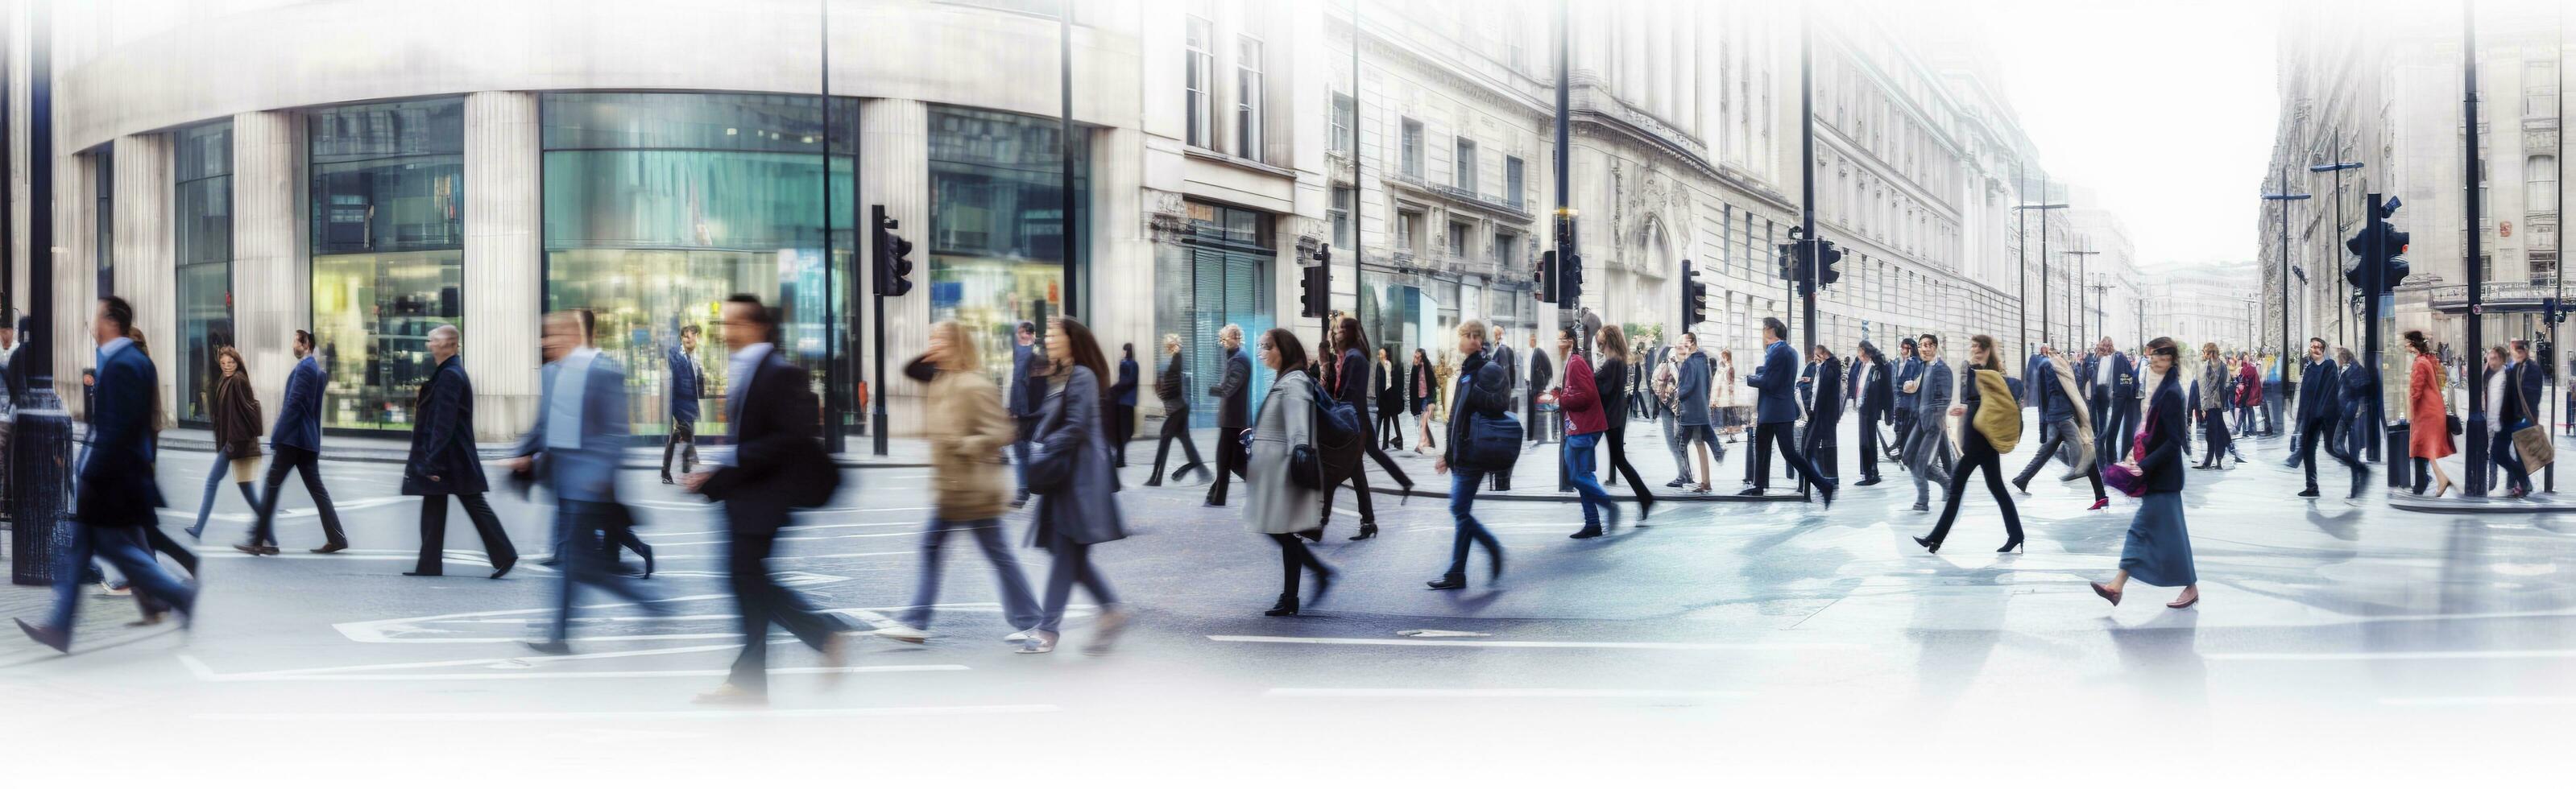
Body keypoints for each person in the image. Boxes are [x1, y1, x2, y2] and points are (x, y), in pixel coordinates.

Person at [685, 295, 851, 704]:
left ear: (758, 327)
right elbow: (747, 437)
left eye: (735, 324)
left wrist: (731, 461)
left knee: (747, 579)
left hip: (767, 498)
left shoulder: (780, 372)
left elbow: (788, 439)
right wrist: (717, 473)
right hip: (745, 494)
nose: (726, 333)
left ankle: (821, 634)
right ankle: (751, 681)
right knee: (747, 581)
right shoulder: (745, 368)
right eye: (724, 325)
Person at [16, 298, 201, 652]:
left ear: (111, 322)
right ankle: (59, 628)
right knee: (82, 551)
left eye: (97, 316)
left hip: (108, 483)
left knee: (117, 551)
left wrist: (90, 477)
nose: (92, 323)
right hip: (112, 479)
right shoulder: (123, 361)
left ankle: (179, 595)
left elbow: (118, 430)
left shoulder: (124, 364)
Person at [873, 320, 1042, 644]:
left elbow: (1003, 432)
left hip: (973, 489)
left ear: (957, 345)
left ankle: (916, 621)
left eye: (939, 339)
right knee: (977, 552)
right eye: (931, 338)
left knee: (966, 551)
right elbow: (911, 369)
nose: (932, 344)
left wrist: (965, 444)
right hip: (953, 488)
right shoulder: (942, 380)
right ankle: (1029, 619)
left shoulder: (973, 385)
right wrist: (936, 350)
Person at [511, 310, 667, 654]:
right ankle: (651, 604)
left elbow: (616, 432)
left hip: (588, 484)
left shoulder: (602, 371)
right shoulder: (550, 373)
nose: (546, 343)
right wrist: (523, 453)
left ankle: (561, 636)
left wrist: (600, 477)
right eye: (544, 336)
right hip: (562, 482)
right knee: (581, 563)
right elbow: (544, 422)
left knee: (573, 561)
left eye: (552, 336)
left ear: (572, 336)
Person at [1021, 316, 1133, 654]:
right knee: (1068, 555)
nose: (1048, 340)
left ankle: (1048, 630)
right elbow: (1051, 422)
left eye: (1054, 335)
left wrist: (1042, 447)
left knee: (1067, 553)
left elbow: (1077, 426)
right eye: (1048, 335)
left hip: (1080, 478)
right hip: (1065, 477)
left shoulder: (1081, 375)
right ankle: (1113, 611)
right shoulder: (1061, 375)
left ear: (1072, 340)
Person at [401, 324, 518, 579]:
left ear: (449, 344)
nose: (429, 344)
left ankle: (505, 553)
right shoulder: (447, 372)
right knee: (436, 504)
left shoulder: (450, 375)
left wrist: (432, 462)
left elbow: (444, 421)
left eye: (433, 340)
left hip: (451, 457)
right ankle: (429, 565)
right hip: (452, 455)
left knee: (472, 502)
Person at [2091, 338, 2200, 609]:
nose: (2156, 360)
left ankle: (2118, 586)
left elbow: (2175, 441)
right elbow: (2153, 432)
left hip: (2164, 477)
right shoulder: (2164, 388)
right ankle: (2187, 586)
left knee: (2142, 532)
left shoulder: (2173, 392)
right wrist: (2138, 454)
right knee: (2171, 535)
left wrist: (2145, 464)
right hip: (2160, 476)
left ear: (2173, 360)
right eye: (2154, 355)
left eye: (2163, 356)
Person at [1244, 328, 1333, 616]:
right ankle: (1299, 589)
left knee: (1281, 530)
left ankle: (1301, 587)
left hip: (1284, 470)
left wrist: (1300, 451)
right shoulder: (1285, 379)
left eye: (1268, 346)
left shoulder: (1294, 382)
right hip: (1274, 469)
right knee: (1283, 531)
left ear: (1284, 349)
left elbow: (1298, 424)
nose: (1264, 351)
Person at [1913, 334, 2022, 554]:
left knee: (1956, 488)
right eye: (1973, 347)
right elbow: (1971, 401)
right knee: (1997, 488)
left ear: (1989, 350)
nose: (1976, 350)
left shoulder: (1994, 374)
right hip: (1975, 434)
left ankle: (1936, 538)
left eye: (1980, 347)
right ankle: (2017, 534)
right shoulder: (1969, 369)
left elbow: (1997, 404)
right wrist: (1963, 409)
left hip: (1983, 439)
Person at [243, 329, 347, 554]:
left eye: (295, 341)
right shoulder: (317, 371)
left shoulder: (305, 368)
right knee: (317, 491)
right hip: (306, 441)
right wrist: (315, 442)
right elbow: (315, 411)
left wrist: (277, 435)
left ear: (306, 343)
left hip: (293, 440)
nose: (293, 345)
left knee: (271, 485)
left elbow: (294, 404)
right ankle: (337, 537)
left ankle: (261, 541)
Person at [1430, 320, 1510, 591]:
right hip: (1462, 452)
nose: (1474, 340)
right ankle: (1456, 573)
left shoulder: (1483, 370)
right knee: (1462, 513)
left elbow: (1496, 405)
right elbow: (1457, 418)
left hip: (1472, 453)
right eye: (1469, 335)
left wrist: (1453, 453)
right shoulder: (1467, 369)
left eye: (1478, 336)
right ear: (1460, 339)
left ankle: (1492, 547)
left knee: (1458, 509)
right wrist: (1447, 455)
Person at [1323, 317, 1413, 540]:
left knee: (1352, 470)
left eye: (1343, 329)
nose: (1339, 333)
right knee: (1364, 465)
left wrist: (1337, 411)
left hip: (1355, 420)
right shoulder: (1355, 355)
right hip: (1359, 417)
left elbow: (1350, 392)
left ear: (1353, 333)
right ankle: (1372, 516)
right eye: (1338, 329)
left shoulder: (1354, 357)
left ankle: (1328, 520)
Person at [1741, 318, 1836, 506]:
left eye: (1763, 329)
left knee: (1789, 453)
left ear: (1771, 331)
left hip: (1774, 410)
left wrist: (1749, 379)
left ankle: (1824, 485)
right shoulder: (1789, 351)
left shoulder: (1777, 351)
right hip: (1778, 409)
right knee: (1762, 446)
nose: (1762, 332)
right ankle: (1759, 485)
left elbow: (1770, 381)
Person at [2013, 344, 2108, 508]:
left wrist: (2043, 425)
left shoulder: (2052, 366)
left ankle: (2098, 494)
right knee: (2059, 451)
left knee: (2080, 451)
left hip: (2061, 417)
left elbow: (2046, 396)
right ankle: (2022, 479)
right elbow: (2067, 389)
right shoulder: (2057, 365)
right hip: (2062, 416)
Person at [188, 346, 265, 543]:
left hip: (235, 443)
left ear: (237, 362)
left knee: (212, 481)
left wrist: (231, 443)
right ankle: (270, 535)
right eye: (223, 363)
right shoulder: (226, 380)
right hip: (233, 442)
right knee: (248, 491)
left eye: (230, 363)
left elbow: (244, 414)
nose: (227, 366)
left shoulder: (237, 381)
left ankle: (199, 528)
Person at [1555, 326, 1621, 539]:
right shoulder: (1568, 364)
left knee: (1575, 475)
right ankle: (1593, 523)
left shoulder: (1576, 363)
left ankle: (1608, 505)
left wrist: (1562, 399)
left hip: (1585, 428)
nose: (1557, 343)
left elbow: (1588, 395)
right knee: (1583, 474)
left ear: (1571, 342)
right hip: (1580, 427)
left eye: (1561, 340)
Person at [2291, 337, 2367, 500]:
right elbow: (2304, 395)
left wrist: (2320, 414)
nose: (2314, 349)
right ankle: (2311, 486)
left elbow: (2328, 391)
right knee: (2307, 449)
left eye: (2318, 347)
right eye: (2312, 346)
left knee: (2332, 448)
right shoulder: (2309, 368)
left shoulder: (2329, 365)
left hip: (2325, 416)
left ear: (2323, 350)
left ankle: (2358, 468)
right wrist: (2300, 421)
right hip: (2311, 416)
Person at [1592, 324, 1654, 521]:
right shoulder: (1616, 361)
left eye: (1600, 337)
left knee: (1618, 459)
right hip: (1614, 416)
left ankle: (1644, 497)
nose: (1598, 340)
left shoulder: (1613, 363)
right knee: (1619, 459)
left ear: (1609, 338)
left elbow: (1603, 390)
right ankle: (1645, 497)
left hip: (1611, 417)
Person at [1143, 335, 1209, 486]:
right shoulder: (1175, 359)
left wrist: (1162, 393)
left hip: (1177, 408)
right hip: (1179, 407)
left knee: (1164, 439)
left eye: (1168, 345)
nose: (1166, 347)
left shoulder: (1177, 359)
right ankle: (1204, 473)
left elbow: (1171, 386)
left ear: (1172, 345)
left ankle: (1156, 478)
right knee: (1186, 442)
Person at [1902, 334, 1957, 512]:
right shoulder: (1925, 367)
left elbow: (1945, 399)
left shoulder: (1943, 369)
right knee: (1908, 457)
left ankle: (1922, 500)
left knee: (1920, 462)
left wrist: (1936, 420)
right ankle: (1947, 484)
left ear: (1935, 347)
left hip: (1933, 423)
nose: (1924, 349)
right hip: (1921, 419)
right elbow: (1919, 391)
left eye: (1927, 345)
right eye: (1921, 346)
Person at [1205, 324, 1252, 507]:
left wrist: (1212, 389)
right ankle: (1217, 497)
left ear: (1236, 337)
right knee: (1230, 460)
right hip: (1232, 418)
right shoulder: (1235, 357)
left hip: (1234, 418)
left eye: (1226, 339)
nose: (1223, 343)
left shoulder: (1240, 359)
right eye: (1221, 339)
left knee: (1227, 459)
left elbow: (1230, 388)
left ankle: (1218, 497)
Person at [2405, 330, 2457, 497]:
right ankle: (2434, 480)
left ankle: (2422, 484)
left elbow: (2416, 391)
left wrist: (2410, 411)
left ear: (2413, 344)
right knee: (2429, 448)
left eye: (2407, 342)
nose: (2405, 345)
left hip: (2426, 413)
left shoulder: (2420, 363)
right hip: (2433, 410)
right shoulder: (2428, 360)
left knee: (2421, 448)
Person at [1674, 333, 1721, 493]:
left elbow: (1685, 388)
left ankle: (1688, 477)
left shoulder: (1689, 362)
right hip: (1700, 408)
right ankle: (1705, 481)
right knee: (1699, 442)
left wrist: (1676, 392)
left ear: (1691, 343)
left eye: (1683, 342)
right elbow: (1708, 384)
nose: (1681, 345)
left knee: (1680, 443)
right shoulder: (1703, 361)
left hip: (1691, 410)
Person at [2081, 337, 2139, 459]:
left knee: (2110, 427)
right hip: (2099, 395)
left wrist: (2124, 391)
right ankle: (2104, 454)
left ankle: (2107, 454)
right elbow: (2091, 376)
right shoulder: (2097, 358)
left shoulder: (2118, 357)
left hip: (2113, 395)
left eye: (2109, 344)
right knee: (2102, 424)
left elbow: (2128, 375)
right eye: (2105, 344)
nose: (2106, 346)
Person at [1008, 321, 1044, 508]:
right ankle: (1024, 489)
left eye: (1025, 334)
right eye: (1019, 334)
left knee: (1024, 450)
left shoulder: (1031, 356)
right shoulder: (1023, 354)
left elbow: (1021, 384)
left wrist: (1019, 413)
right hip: (1025, 411)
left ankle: (1026, 489)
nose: (1021, 337)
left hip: (1029, 412)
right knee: (1022, 451)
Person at [662, 324, 703, 485]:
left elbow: (696, 383)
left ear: (697, 338)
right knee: (685, 439)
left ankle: (670, 472)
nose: (689, 339)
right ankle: (675, 472)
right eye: (686, 336)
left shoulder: (695, 357)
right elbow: (677, 370)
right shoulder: (675, 353)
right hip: (680, 405)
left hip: (690, 405)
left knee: (681, 438)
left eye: (692, 336)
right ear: (681, 338)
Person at [1801, 344, 1845, 484]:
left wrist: (1815, 411)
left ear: (1822, 355)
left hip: (1823, 415)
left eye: (1816, 354)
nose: (1814, 357)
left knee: (1811, 448)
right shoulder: (1825, 368)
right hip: (1822, 414)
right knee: (1826, 446)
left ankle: (1821, 478)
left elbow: (1823, 394)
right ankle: (1828, 478)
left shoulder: (1828, 369)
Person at [2506, 340, 2545, 497]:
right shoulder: (2516, 367)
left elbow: (2531, 394)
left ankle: (2523, 484)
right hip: (2514, 416)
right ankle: (2516, 483)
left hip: (2524, 416)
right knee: (2515, 450)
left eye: (2516, 352)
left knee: (2520, 450)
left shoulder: (2532, 369)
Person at [1851, 341, 1892, 486]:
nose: (1858, 354)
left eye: (1859, 351)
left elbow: (1888, 390)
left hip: (1872, 407)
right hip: (1863, 407)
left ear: (1865, 351)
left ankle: (1872, 473)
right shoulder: (1862, 366)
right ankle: (1867, 472)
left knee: (1868, 441)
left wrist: (1888, 411)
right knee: (1864, 440)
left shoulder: (1879, 367)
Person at [1654, 344, 1694, 488]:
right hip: (1680, 406)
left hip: (1668, 405)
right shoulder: (1684, 362)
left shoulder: (1669, 363)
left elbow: (1659, 384)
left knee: (1673, 443)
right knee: (1680, 443)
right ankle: (1687, 474)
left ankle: (1684, 475)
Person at [2196, 343, 2235, 469]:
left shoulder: (2223, 367)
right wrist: (2203, 407)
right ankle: (2224, 454)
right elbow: (2203, 388)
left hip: (2217, 404)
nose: (2204, 355)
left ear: (2211, 352)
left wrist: (2221, 404)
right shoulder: (2206, 366)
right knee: (2218, 431)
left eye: (2206, 352)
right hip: (2209, 404)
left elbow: (2224, 386)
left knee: (2212, 432)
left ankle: (2211, 461)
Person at [1108, 342, 1140, 467]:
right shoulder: (1125, 363)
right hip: (1122, 401)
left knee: (1126, 431)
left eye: (1124, 350)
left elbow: (1130, 381)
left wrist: (1116, 389)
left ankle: (1120, 458)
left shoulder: (1132, 364)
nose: (1122, 352)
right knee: (1123, 431)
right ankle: (1120, 458)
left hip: (1126, 401)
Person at [1891, 337, 1922, 461]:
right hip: (1900, 399)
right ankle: (1902, 450)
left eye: (1906, 348)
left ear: (1911, 349)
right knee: (1900, 426)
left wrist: (1900, 386)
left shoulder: (1914, 362)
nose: (1903, 350)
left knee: (1906, 427)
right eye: (1902, 347)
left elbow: (1910, 381)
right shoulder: (1898, 362)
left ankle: (1905, 452)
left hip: (1910, 399)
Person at [1375, 347, 1406, 449]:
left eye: (1382, 354)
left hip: (1391, 396)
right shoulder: (1379, 366)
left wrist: (1398, 397)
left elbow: (1397, 383)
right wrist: (1378, 398)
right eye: (1379, 354)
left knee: (1389, 418)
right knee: (1384, 419)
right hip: (1384, 396)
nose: (1380, 356)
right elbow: (1378, 383)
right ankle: (1384, 443)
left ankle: (1386, 444)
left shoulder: (1393, 365)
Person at [1410, 348, 1439, 455]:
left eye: (1418, 357)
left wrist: (1432, 400)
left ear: (1422, 358)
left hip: (1427, 398)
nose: (1415, 359)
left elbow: (1433, 384)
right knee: (1424, 422)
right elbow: (1412, 387)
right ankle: (1429, 442)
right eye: (1415, 357)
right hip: (1419, 398)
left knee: (1423, 422)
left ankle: (1420, 445)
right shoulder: (1415, 368)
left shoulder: (1427, 367)